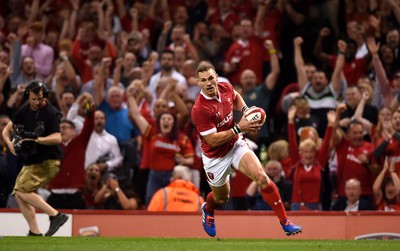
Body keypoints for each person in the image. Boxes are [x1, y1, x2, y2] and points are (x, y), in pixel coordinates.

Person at [191, 62, 302, 237]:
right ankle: (208, 208)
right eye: (204, 80)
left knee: (262, 177)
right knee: (222, 198)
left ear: (217, 77)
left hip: (235, 144)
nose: (209, 83)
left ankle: (285, 222)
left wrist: (245, 110)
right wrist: (239, 127)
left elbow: (235, 97)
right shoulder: (199, 109)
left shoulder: (225, 87)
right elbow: (212, 141)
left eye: (211, 78)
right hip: (215, 156)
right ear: (199, 83)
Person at [1, 80, 68, 236]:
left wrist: (36, 139)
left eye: (41, 98)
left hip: (49, 160)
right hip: (34, 160)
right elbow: (6, 130)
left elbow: (58, 138)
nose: (38, 102)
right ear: (27, 97)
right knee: (18, 193)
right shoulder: (24, 110)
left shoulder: (51, 112)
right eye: (34, 99)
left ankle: (56, 215)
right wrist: (9, 143)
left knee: (21, 190)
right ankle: (34, 231)